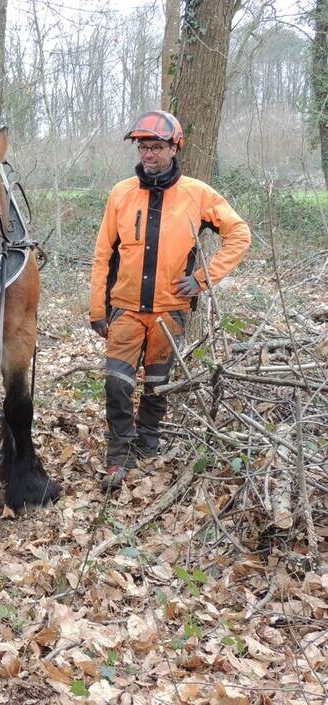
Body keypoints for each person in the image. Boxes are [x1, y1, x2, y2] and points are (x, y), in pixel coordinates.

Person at [88, 111, 251, 491]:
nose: (149, 154)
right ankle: (119, 453)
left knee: (157, 383)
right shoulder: (121, 193)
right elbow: (102, 255)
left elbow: (239, 234)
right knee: (116, 382)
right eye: (144, 147)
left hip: (170, 309)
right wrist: (98, 308)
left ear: (174, 148)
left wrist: (201, 280)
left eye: (156, 147)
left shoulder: (198, 194)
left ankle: (147, 441)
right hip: (125, 306)